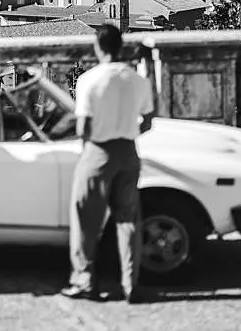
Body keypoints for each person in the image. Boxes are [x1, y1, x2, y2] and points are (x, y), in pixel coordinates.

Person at [60, 23, 157, 305]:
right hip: (128, 152)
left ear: (98, 47)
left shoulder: (89, 79)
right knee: (128, 220)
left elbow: (82, 128)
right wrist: (128, 134)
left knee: (86, 219)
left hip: (98, 152)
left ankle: (85, 280)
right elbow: (148, 120)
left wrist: (92, 147)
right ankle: (130, 283)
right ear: (120, 46)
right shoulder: (137, 80)